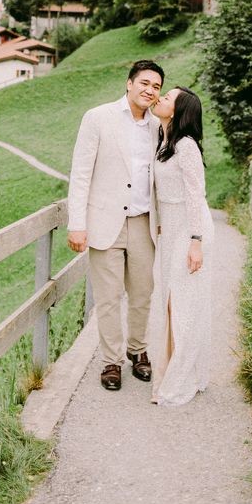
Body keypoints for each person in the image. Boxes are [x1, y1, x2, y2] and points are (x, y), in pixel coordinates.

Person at [67, 60, 164, 391]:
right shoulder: (98, 118)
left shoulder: (159, 127)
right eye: (144, 83)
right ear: (129, 83)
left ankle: (138, 351)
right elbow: (81, 174)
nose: (150, 90)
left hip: (143, 222)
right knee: (107, 297)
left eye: (156, 86)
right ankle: (111, 361)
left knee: (142, 293)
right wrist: (76, 223)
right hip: (104, 221)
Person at [149, 86, 214, 406]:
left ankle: (181, 377)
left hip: (190, 229)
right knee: (171, 302)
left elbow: (195, 196)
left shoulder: (186, 147)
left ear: (178, 111)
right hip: (171, 229)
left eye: (167, 98)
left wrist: (197, 242)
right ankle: (173, 369)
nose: (159, 98)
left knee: (183, 304)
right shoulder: (164, 142)